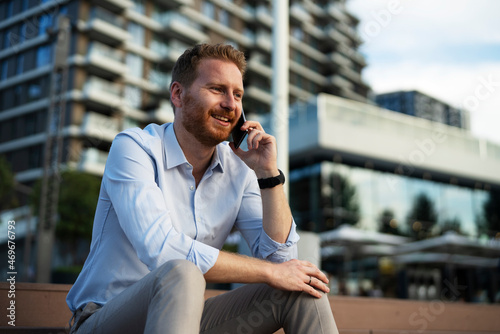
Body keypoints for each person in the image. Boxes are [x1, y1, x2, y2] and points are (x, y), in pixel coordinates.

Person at [66, 43, 338, 334]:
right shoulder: (134, 148)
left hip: (185, 322)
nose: (231, 104)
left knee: (302, 287)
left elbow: (284, 262)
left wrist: (268, 174)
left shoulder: (240, 170)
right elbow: (162, 250)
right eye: (217, 89)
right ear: (178, 94)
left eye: (237, 94)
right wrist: (272, 272)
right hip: (106, 320)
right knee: (181, 271)